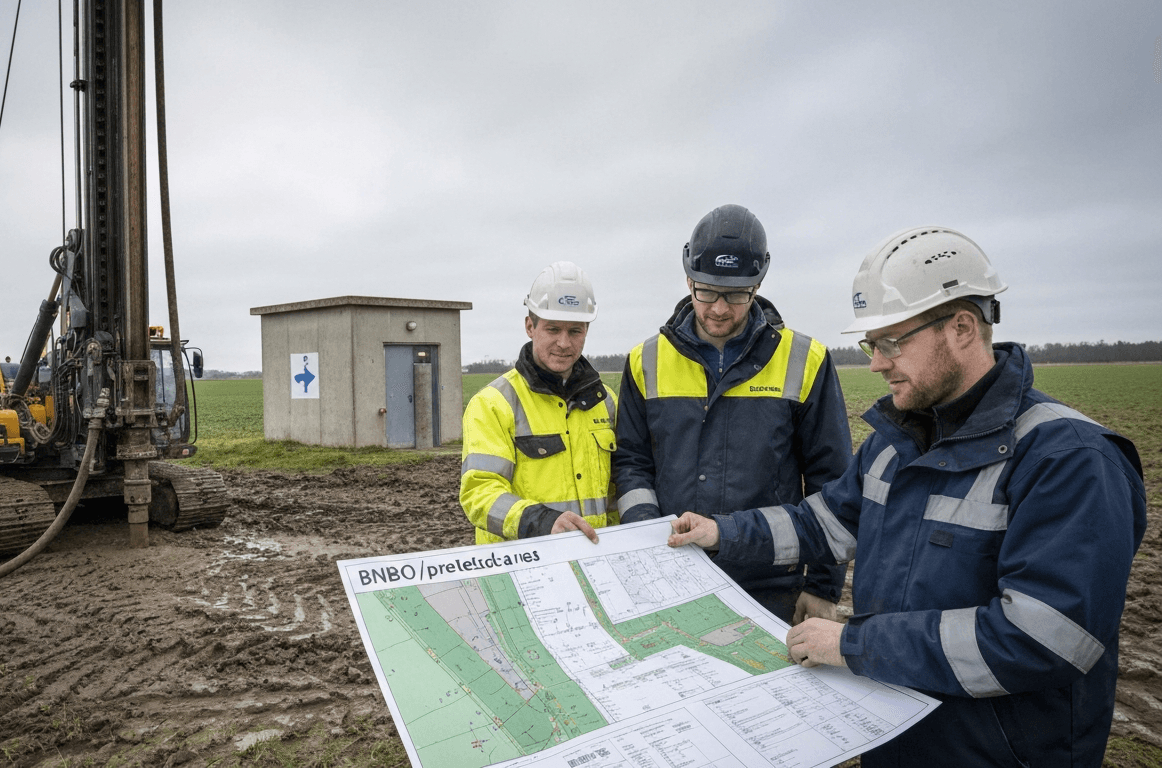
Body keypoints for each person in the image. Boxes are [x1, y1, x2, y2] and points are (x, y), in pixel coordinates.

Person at [668, 225, 1147, 767]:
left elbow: (1045, 638)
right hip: (894, 736)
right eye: (870, 346)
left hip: (996, 754)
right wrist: (721, 532)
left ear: (963, 328)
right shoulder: (896, 446)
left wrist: (854, 646)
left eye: (890, 343)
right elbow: (820, 524)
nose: (875, 363)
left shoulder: (1069, 460)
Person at [614, 204, 852, 624]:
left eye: (737, 294)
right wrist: (648, 535)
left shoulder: (805, 359)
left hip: (773, 585)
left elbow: (831, 483)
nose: (720, 309)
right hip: (675, 574)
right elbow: (632, 463)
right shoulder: (644, 361)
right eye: (706, 291)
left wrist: (822, 586)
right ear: (688, 280)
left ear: (758, 285)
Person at [461, 261, 618, 545]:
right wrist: (541, 523)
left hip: (594, 563)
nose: (563, 343)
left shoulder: (606, 402)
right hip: (522, 569)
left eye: (575, 331)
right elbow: (479, 493)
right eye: (553, 329)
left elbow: (619, 488)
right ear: (530, 326)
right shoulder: (493, 404)